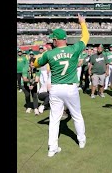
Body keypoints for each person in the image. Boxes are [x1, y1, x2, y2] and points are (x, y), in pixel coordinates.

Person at [34, 13, 89, 157]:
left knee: (54, 119)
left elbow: (35, 63)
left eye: (53, 38)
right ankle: (81, 140)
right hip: (71, 87)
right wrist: (82, 23)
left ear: (57, 40)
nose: (52, 40)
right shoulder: (74, 49)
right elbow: (86, 38)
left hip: (56, 89)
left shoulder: (49, 54)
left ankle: (52, 148)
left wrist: (38, 58)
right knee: (77, 115)